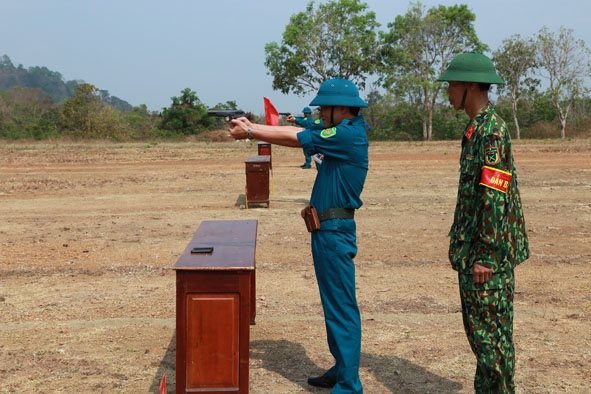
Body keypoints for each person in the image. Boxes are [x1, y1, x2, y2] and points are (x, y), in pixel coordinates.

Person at [229, 78, 368, 393]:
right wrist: (254, 126)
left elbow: (297, 136)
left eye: (324, 109)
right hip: (327, 230)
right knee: (334, 305)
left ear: (341, 109)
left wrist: (251, 131)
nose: (319, 113)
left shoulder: (347, 135)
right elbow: (297, 132)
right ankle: (342, 369)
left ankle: (349, 385)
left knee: (341, 307)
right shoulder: (341, 133)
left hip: (333, 232)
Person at [438, 52, 530, 393]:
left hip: (487, 258)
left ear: (471, 86)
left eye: (452, 84)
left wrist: (487, 256)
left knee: (491, 344)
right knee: (486, 340)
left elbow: (495, 198)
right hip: (476, 251)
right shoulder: (477, 128)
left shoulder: (491, 133)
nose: (448, 91)